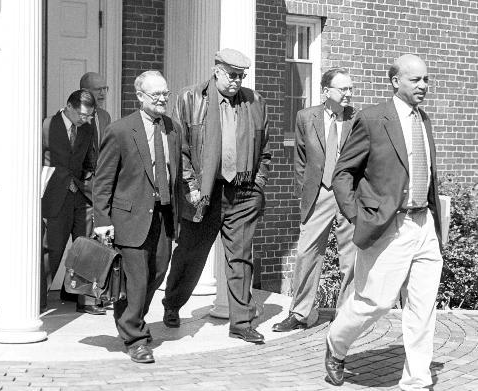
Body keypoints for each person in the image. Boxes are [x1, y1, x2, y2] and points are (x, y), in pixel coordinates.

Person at [324, 54, 443, 390]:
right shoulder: (373, 119)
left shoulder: (424, 120)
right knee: (373, 302)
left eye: (425, 80)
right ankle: (337, 343)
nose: (423, 86)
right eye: (415, 80)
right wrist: (356, 216)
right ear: (395, 81)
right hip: (388, 226)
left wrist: (435, 219)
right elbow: (343, 173)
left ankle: (416, 382)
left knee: (422, 309)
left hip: (424, 224)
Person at [162, 48, 271, 344]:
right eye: (232, 75)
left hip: (243, 191)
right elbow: (180, 149)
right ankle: (172, 304)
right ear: (216, 71)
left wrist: (258, 183)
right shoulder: (190, 99)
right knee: (190, 254)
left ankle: (242, 322)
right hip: (204, 192)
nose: (237, 82)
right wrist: (191, 187)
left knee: (241, 259)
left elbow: (264, 149)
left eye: (241, 76)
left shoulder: (255, 102)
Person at [92, 70, 181, 364]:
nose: (161, 100)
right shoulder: (119, 130)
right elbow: (103, 181)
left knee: (156, 273)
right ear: (140, 96)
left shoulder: (172, 128)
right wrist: (103, 221)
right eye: (155, 94)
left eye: (165, 94)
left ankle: (134, 320)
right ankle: (134, 337)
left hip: (163, 216)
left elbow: (176, 172)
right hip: (128, 218)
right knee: (136, 280)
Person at [272, 68, 356, 333]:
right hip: (318, 193)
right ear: (325, 91)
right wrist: (304, 191)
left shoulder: (357, 119)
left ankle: (345, 314)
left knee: (350, 257)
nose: (348, 94)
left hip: (349, 194)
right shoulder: (306, 117)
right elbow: (300, 158)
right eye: (342, 89)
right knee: (307, 252)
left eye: (350, 89)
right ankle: (300, 313)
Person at [41, 90, 96, 310]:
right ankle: (37, 300)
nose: (85, 119)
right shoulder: (46, 126)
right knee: (51, 249)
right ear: (69, 106)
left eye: (88, 115)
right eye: (81, 114)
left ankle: (86, 300)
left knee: (87, 247)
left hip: (81, 195)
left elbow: (90, 160)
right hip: (55, 196)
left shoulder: (88, 128)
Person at [76, 72, 112, 315]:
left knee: (100, 239)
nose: (102, 93)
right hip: (80, 186)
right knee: (86, 240)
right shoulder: (75, 115)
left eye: (104, 88)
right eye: (97, 89)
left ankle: (96, 295)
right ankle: (84, 299)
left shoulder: (105, 116)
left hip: (101, 186)